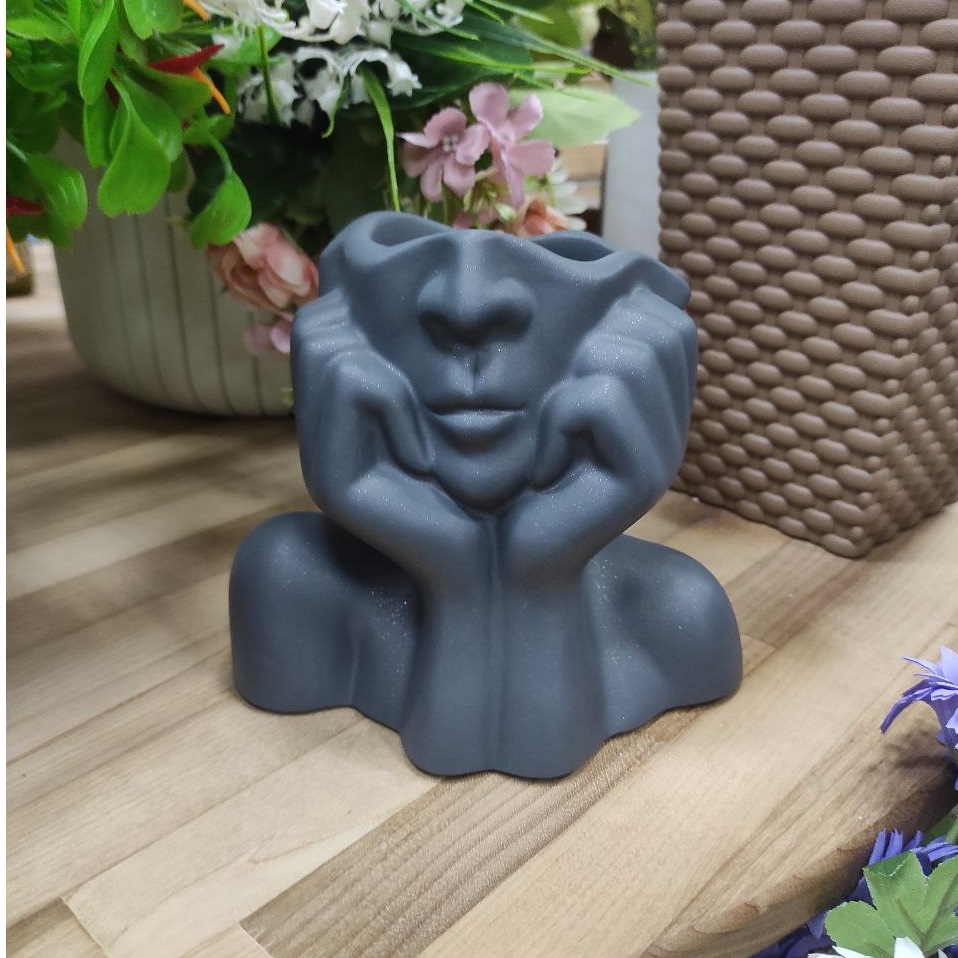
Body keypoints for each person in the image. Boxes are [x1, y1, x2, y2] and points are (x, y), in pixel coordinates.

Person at [230, 212, 741, 778]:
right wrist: (456, 565)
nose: (467, 308)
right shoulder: (290, 581)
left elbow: (534, 751)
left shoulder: (680, 613)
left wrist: (535, 571)